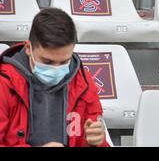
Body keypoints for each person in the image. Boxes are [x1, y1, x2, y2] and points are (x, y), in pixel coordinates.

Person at [0, 8, 108, 147]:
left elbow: (93, 138)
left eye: (64, 62)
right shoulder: (4, 83)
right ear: (28, 47)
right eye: (47, 62)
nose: (56, 68)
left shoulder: (83, 82)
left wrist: (95, 142)